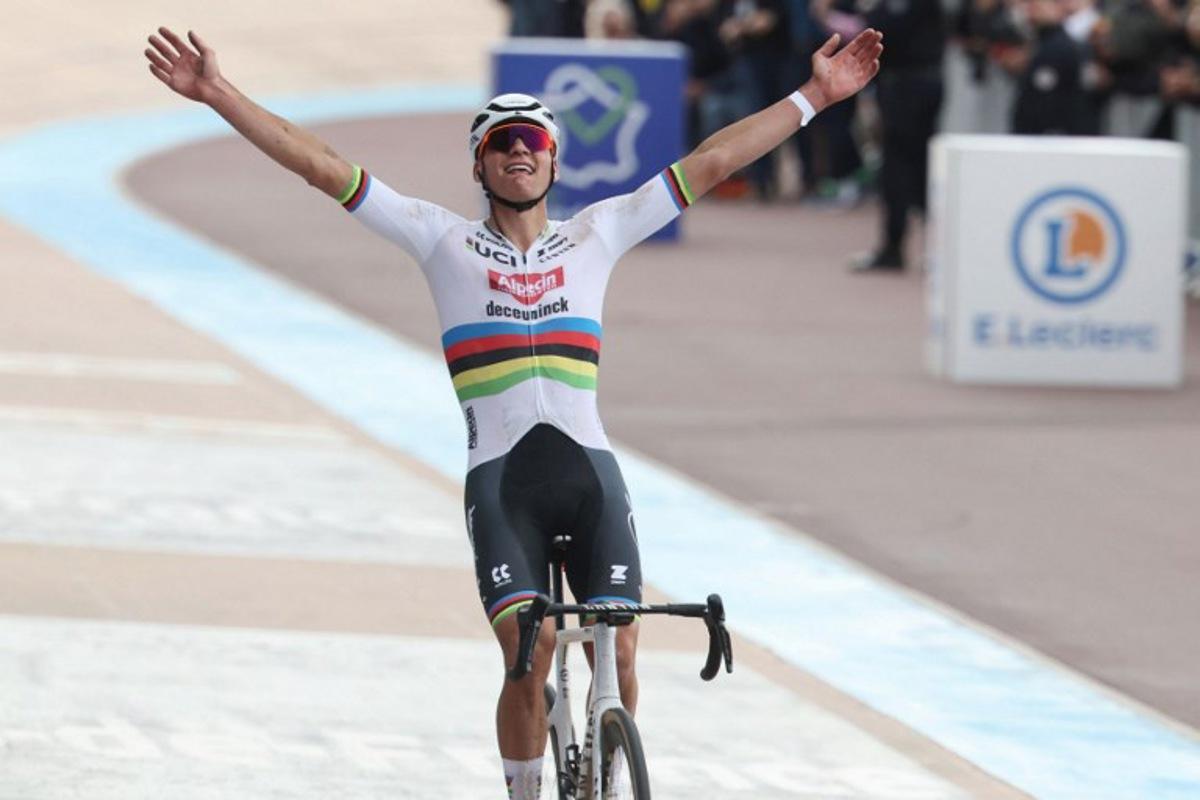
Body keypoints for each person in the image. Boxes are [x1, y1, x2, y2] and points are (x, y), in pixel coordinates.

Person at [143, 24, 882, 798]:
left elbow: (715, 160)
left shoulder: (598, 233)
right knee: (527, 660)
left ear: (555, 158)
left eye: (533, 138)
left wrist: (815, 98)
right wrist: (219, 94)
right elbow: (323, 168)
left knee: (620, 652)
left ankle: (604, 768)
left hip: (589, 473)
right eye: (501, 142)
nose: (519, 150)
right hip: (503, 487)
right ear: (479, 164)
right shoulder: (441, 241)